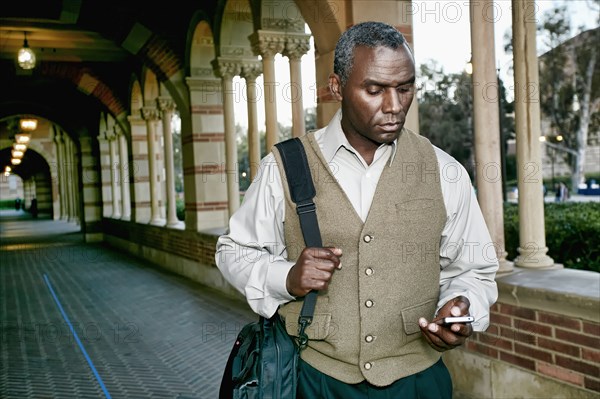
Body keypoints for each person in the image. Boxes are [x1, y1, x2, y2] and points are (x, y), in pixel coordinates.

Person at [216, 21, 498, 398]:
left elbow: (474, 269)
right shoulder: (285, 166)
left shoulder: (445, 171)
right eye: (374, 90)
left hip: (418, 382)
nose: (394, 106)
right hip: (314, 379)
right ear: (337, 88)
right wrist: (285, 278)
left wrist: (461, 304)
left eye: (405, 88)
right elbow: (232, 251)